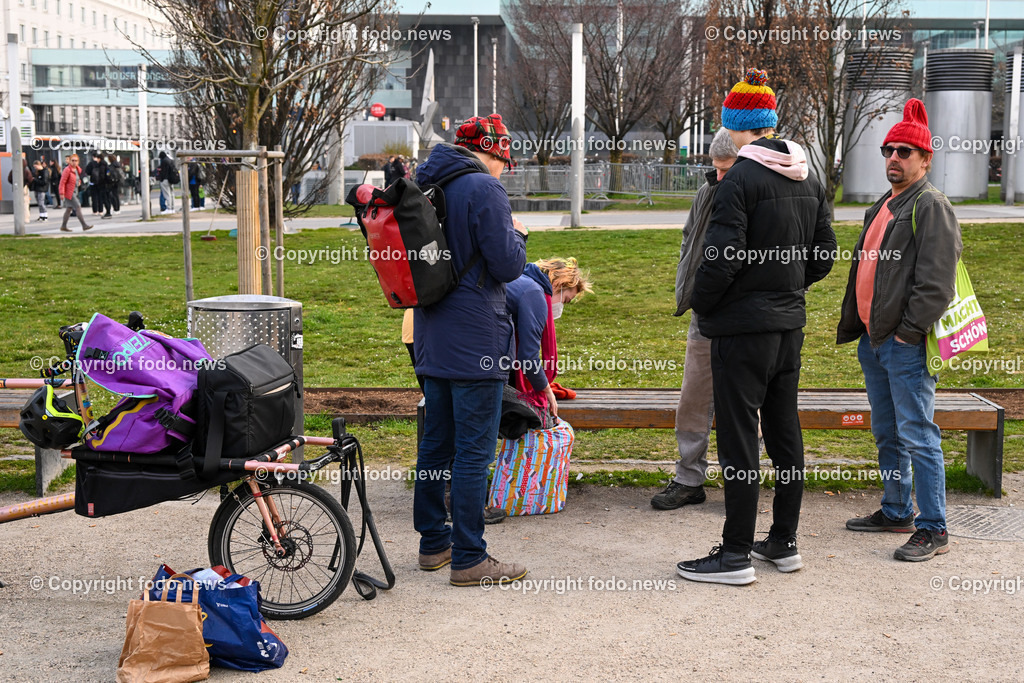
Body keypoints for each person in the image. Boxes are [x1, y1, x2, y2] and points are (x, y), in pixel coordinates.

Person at [679, 68, 836, 585]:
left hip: (741, 328)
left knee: (741, 439)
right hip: (788, 325)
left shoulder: (738, 179)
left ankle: (735, 554)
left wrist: (704, 304)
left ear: (735, 125)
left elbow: (720, 259)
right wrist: (787, 288)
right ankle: (783, 541)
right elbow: (824, 254)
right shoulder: (809, 173)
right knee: (785, 431)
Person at [838, 99, 961, 562]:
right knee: (887, 432)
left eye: (905, 151)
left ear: (926, 159)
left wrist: (909, 334)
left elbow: (936, 285)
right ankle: (896, 509)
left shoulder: (930, 206)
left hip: (903, 343)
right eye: (889, 149)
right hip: (876, 341)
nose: (894, 157)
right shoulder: (884, 205)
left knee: (918, 434)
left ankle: (934, 527)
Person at [412, 113, 530, 587]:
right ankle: (469, 556)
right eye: (506, 160)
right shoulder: (483, 188)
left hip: (432, 333)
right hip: (477, 337)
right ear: (492, 152)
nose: (505, 170)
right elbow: (505, 265)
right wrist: (519, 235)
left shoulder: (427, 183)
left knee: (435, 444)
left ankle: (433, 544)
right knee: (473, 452)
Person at [651, 128, 739, 511]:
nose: (719, 176)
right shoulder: (707, 192)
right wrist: (691, 290)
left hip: (743, 318)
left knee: (741, 403)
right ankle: (689, 477)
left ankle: (741, 482)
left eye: (727, 168)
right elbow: (690, 240)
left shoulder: (760, 191)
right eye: (715, 168)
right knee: (693, 398)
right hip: (705, 313)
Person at [58, 155, 93, 232]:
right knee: (78, 206)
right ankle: (84, 225)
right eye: (72, 160)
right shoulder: (67, 170)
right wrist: (61, 193)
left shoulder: (77, 169)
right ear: (69, 161)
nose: (74, 162)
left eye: (76, 160)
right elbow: (62, 182)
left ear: (78, 161)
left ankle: (63, 226)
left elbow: (77, 178)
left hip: (75, 191)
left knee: (69, 209)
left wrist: (78, 182)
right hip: (69, 192)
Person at [7, 155, 33, 223]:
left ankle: (18, 219)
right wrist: (27, 185)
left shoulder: (13, 170)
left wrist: (14, 183)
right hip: (24, 188)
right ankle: (26, 219)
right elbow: (30, 180)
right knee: (25, 204)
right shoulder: (26, 171)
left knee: (17, 204)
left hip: (16, 188)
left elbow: (9, 179)